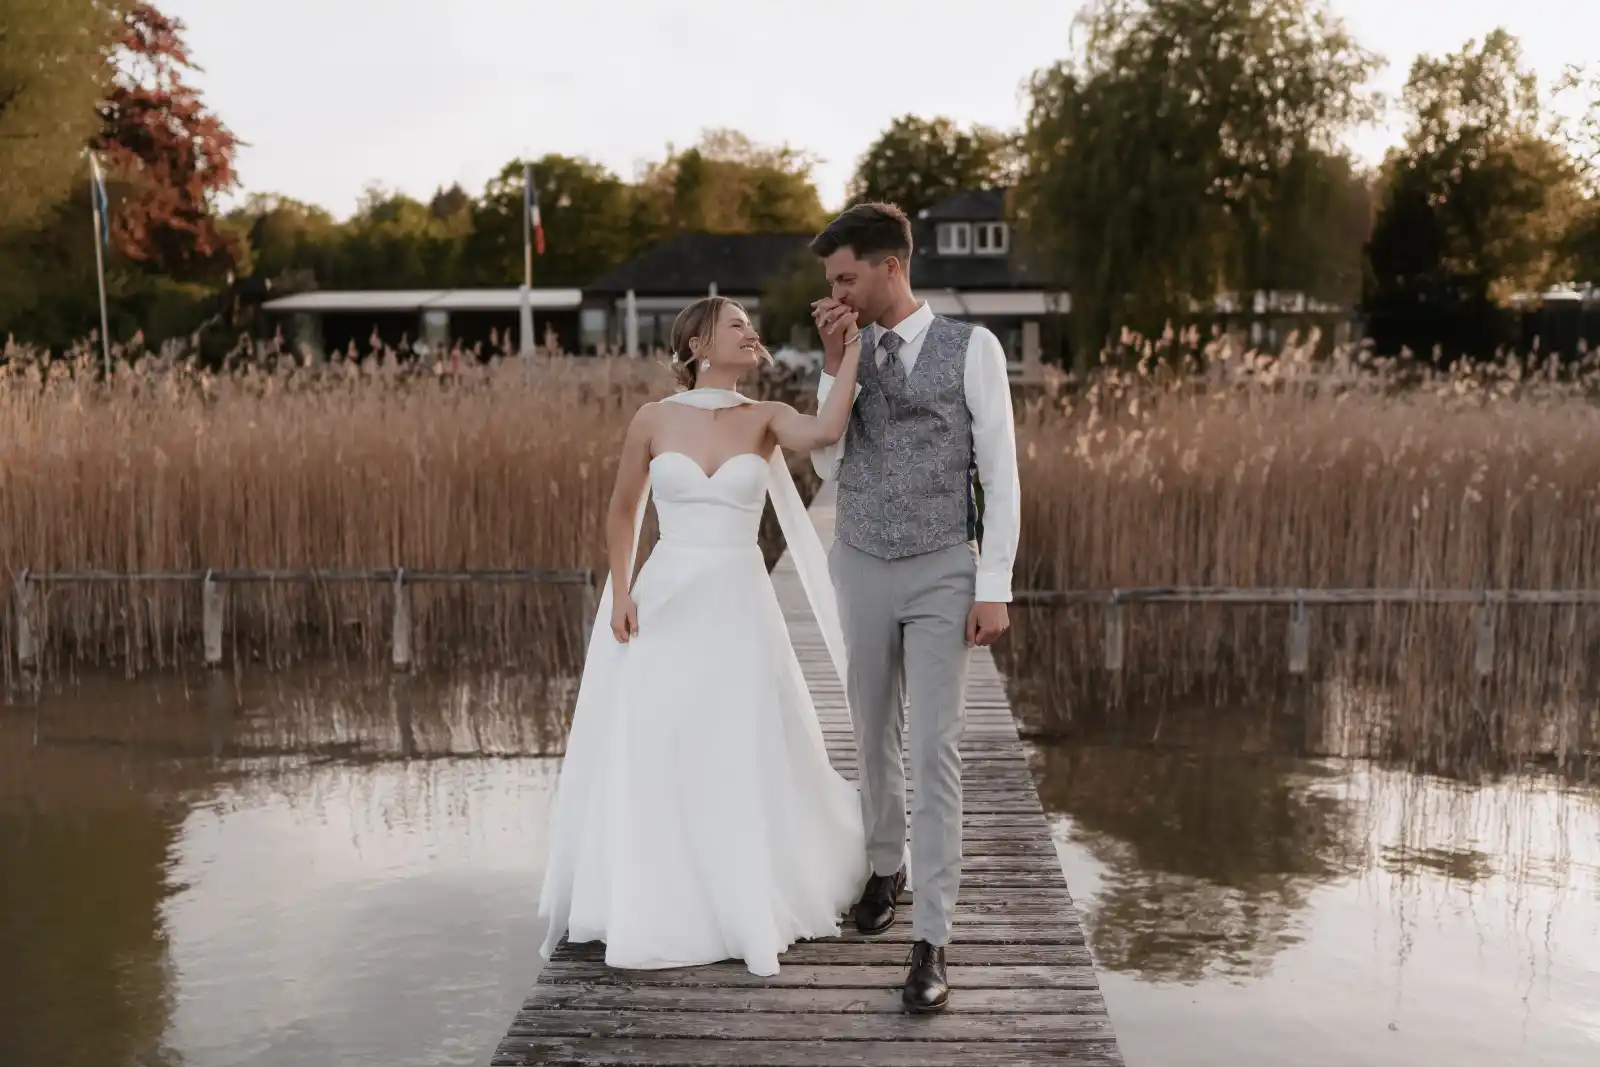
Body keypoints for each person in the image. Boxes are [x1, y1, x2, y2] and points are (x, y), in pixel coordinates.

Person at [535, 294, 868, 978]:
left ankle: (744, 888)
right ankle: (661, 892)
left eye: (751, 324)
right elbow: (623, 510)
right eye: (736, 324)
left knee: (734, 738)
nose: (751, 332)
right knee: (662, 735)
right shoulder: (653, 418)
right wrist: (621, 591)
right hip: (665, 598)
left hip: (738, 602)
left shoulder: (766, 416)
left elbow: (828, 429)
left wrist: (846, 352)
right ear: (696, 343)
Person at [807, 202, 1020, 1013]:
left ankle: (931, 935)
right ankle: (883, 864)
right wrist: (836, 364)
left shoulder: (974, 349)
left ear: (890, 267)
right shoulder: (849, 349)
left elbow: (999, 471)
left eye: (845, 278)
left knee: (935, 749)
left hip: (941, 569)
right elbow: (826, 465)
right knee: (871, 730)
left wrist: (994, 582)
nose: (835, 293)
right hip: (862, 560)